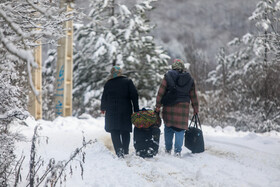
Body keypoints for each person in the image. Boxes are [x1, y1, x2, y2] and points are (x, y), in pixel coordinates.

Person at [155, 59, 199, 157]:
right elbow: (194, 96)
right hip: (183, 109)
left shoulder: (168, 76)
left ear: (173, 67)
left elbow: (160, 93)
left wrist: (158, 106)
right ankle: (178, 151)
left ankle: (168, 149)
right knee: (180, 129)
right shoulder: (190, 79)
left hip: (169, 107)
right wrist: (196, 109)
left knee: (168, 127)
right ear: (183, 68)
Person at [101, 66, 139, 158]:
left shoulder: (108, 83)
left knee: (114, 131)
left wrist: (103, 108)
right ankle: (125, 150)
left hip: (111, 111)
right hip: (125, 110)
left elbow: (104, 97)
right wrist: (136, 109)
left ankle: (119, 151)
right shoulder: (128, 82)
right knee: (125, 130)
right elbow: (134, 95)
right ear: (121, 73)